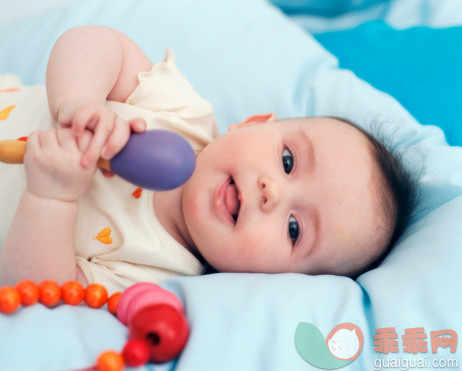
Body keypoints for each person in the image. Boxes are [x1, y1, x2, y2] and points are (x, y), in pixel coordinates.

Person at [0, 26, 418, 294]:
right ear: (251, 124)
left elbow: (37, 291)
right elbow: (97, 42)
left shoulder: (159, 277)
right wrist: (78, 99)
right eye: (288, 161)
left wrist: (51, 199)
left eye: (294, 229)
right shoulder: (181, 115)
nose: (273, 192)